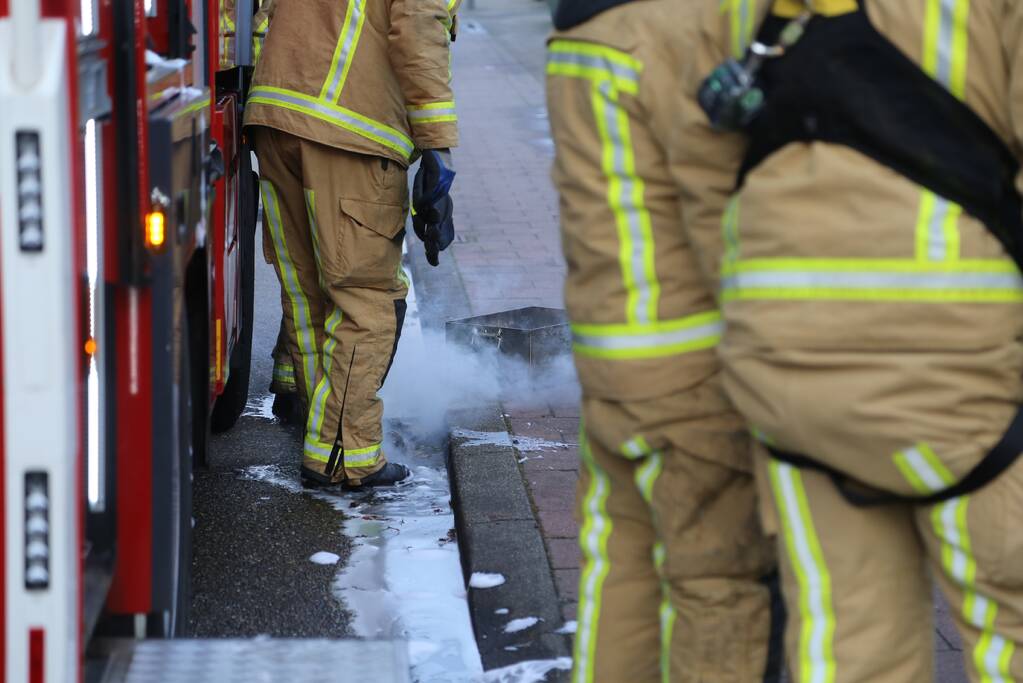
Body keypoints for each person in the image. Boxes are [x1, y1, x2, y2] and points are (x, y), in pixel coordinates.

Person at [675, 0, 1023, 679]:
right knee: (1009, 624)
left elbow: (702, 163)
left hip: (787, 370)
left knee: (844, 643)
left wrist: (758, 308)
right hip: (962, 371)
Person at [546, 1, 780, 681]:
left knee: (619, 569)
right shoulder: (684, 27)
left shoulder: (585, 26)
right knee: (715, 583)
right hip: (692, 362)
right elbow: (722, 213)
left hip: (615, 350)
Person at [244, 0, 460, 488]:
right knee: (363, 300)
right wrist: (436, 143)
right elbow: (421, 28)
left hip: (275, 119)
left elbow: (263, 17)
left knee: (306, 297)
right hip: (352, 132)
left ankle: (319, 432)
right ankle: (345, 452)